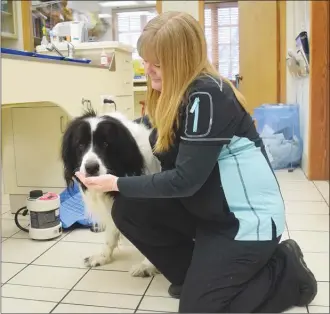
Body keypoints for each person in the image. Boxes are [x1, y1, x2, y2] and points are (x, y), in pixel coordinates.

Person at [76, 11, 317, 313]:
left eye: (157, 63)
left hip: (245, 222)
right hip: (208, 213)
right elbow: (153, 138)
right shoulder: (172, 95)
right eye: (145, 59)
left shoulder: (208, 96)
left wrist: (115, 182)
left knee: (199, 308)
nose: (146, 69)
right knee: (129, 208)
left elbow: (184, 180)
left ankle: (287, 270)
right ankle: (195, 276)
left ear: (180, 63)